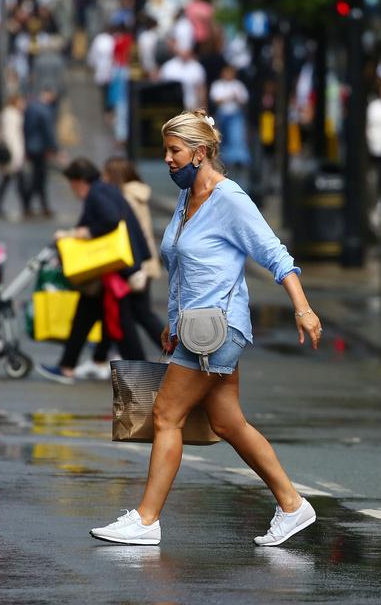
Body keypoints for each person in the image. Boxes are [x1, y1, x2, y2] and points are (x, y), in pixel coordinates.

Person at [89, 111, 323, 547]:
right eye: (166, 151)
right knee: (228, 422)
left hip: (218, 331)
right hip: (195, 330)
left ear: (200, 153)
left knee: (166, 415)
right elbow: (181, 267)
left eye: (174, 151)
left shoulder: (228, 199)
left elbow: (275, 255)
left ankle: (146, 519)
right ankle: (293, 505)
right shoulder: (186, 199)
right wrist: (173, 322)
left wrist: (303, 308)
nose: (168, 160)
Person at [36, 157, 151, 383]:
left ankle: (143, 373)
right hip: (115, 268)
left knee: (123, 321)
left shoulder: (97, 194)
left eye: (71, 184)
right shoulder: (106, 190)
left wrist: (79, 234)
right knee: (87, 315)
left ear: (79, 181)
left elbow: (109, 220)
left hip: (116, 268)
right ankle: (67, 366)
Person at [103, 156, 166, 350]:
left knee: (139, 313)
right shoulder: (136, 194)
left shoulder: (126, 198)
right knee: (132, 313)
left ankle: (172, 352)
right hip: (144, 262)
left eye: (105, 175)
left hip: (137, 263)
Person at [22, 88, 59, 218]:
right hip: (40, 148)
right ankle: (35, 206)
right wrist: (54, 148)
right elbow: (48, 131)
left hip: (30, 147)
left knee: (38, 177)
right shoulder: (44, 109)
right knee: (39, 178)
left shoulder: (31, 107)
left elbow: (25, 128)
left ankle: (41, 206)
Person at [209, 65, 251, 172]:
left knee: (236, 138)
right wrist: (229, 97)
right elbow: (216, 100)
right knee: (221, 139)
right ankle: (223, 163)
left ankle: (238, 161)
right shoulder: (217, 85)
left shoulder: (238, 85)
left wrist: (234, 97)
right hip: (222, 115)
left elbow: (244, 100)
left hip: (235, 115)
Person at [0, 95, 26, 218]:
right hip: (12, 155)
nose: (23, 104)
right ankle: (25, 207)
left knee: (7, 181)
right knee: (18, 181)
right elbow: (12, 138)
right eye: (21, 101)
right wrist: (16, 156)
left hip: (11, 155)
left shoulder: (7, 114)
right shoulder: (12, 116)